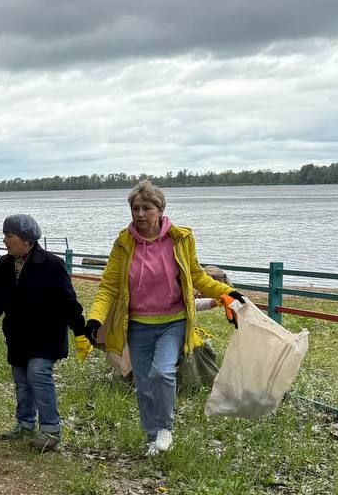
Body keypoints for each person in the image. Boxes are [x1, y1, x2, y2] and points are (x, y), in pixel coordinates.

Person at [84, 180, 242, 456]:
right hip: (137, 325)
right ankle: (151, 438)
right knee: (143, 382)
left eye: (147, 208)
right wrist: (95, 319)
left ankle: (165, 428)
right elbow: (108, 286)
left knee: (162, 372)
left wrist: (228, 293)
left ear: (160, 209)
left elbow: (197, 276)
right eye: (135, 208)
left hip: (173, 321)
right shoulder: (123, 243)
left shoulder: (179, 239)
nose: (140, 214)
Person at [0, 215, 87, 453]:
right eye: (5, 235)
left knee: (38, 373)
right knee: (22, 380)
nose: (4, 241)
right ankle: (25, 424)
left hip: (47, 334)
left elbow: (68, 301)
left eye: (9, 236)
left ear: (27, 239)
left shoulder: (52, 265)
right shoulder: (3, 266)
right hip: (18, 335)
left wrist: (80, 332)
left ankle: (51, 430)